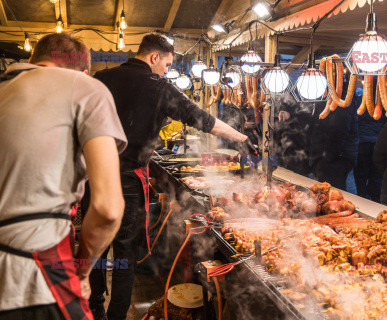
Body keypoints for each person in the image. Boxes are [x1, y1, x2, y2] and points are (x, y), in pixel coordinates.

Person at [87, 33, 248, 320]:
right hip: (126, 183)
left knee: (95, 246)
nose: (166, 70)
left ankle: (95, 308)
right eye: (167, 64)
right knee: (125, 253)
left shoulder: (101, 78)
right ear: (154, 57)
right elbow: (202, 119)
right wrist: (240, 136)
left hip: (93, 178)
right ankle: (115, 317)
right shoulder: (159, 87)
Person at [0, 33, 127, 320]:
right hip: (34, 272)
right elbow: (108, 209)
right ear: (83, 71)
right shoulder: (85, 87)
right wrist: (81, 271)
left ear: (32, 62)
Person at [307, 89, 360, 190]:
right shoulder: (325, 96)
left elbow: (338, 130)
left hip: (334, 161)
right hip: (328, 157)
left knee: (332, 196)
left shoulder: (341, 99)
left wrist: (325, 158)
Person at [353, 87, 385, 202]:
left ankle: (362, 196)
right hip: (376, 143)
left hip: (363, 143)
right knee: (374, 173)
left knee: (361, 173)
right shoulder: (380, 105)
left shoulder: (359, 104)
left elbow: (357, 120)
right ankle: (375, 198)